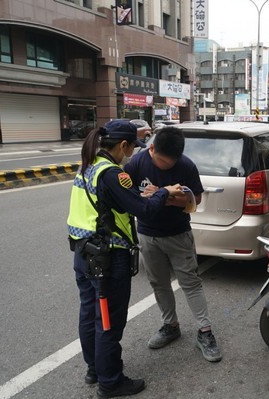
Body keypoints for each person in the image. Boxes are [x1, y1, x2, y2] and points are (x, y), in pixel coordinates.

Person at [67, 120, 183, 398]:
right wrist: (165, 192)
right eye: (131, 148)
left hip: (84, 254)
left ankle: (94, 369)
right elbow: (144, 210)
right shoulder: (112, 174)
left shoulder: (88, 165)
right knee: (108, 321)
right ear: (123, 146)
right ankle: (110, 382)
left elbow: (111, 204)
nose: (132, 154)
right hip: (107, 259)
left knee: (89, 313)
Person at [123, 126, 222, 362]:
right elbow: (125, 196)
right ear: (152, 148)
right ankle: (170, 326)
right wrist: (144, 198)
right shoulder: (137, 163)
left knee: (191, 283)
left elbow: (194, 200)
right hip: (147, 234)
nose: (165, 167)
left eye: (170, 164)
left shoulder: (186, 166)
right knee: (158, 282)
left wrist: (164, 198)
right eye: (161, 162)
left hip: (178, 234)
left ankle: (205, 331)